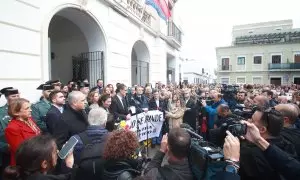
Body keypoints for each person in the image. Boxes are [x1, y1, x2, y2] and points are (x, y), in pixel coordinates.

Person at [3, 135, 75, 180]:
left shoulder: (22, 173)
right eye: (55, 152)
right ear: (44, 164)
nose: (58, 152)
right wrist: (69, 164)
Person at [5, 98, 41, 165]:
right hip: (25, 163)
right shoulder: (12, 128)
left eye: (30, 107)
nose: (31, 110)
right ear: (16, 112)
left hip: (37, 158)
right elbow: (20, 151)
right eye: (27, 108)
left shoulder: (29, 119)